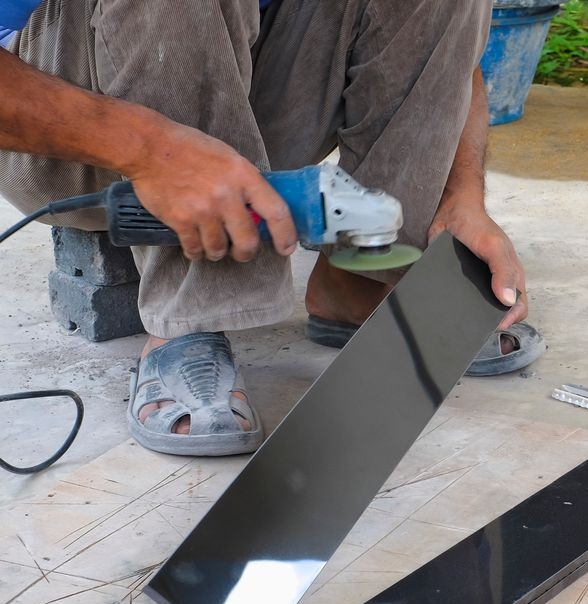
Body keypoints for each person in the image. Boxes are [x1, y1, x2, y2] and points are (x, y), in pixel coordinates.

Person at [0, 0, 544, 457]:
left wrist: (461, 194)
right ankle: (189, 319)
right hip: (62, 123)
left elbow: (453, 54)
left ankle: (361, 275)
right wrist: (147, 148)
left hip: (242, 96)